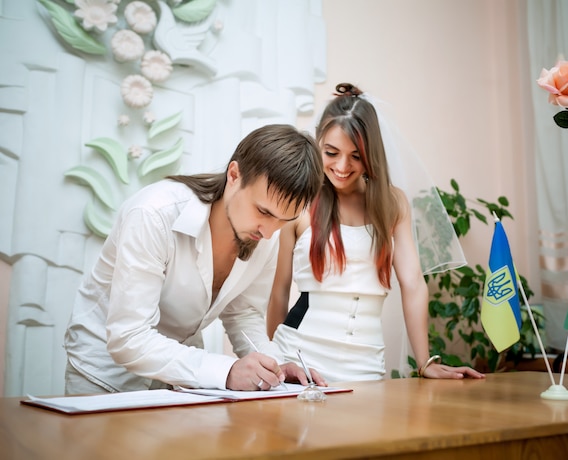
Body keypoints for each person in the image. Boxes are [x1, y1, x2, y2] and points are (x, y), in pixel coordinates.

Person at [64, 124, 326, 394]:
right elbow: (128, 337)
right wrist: (226, 371)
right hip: (103, 373)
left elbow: (243, 313)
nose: (270, 231)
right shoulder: (153, 214)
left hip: (178, 378)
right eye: (263, 211)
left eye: (285, 220)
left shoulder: (265, 235)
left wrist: (277, 367)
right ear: (234, 175)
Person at [267, 84, 485, 383]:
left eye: (356, 156)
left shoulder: (392, 204)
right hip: (299, 359)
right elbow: (279, 291)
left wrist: (425, 362)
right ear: (318, 143)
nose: (342, 166)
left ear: (372, 154)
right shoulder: (301, 202)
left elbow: (413, 284)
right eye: (331, 152)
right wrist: (276, 364)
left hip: (366, 363)